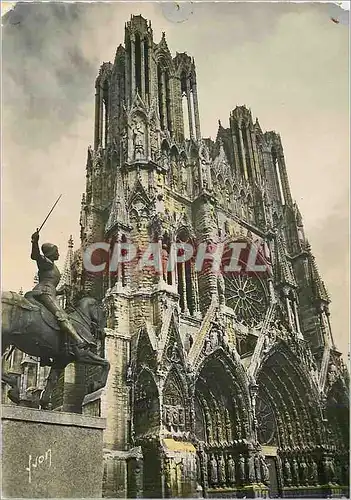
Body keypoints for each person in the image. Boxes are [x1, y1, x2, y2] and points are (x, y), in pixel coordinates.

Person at [30, 230, 95, 352]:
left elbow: (53, 286)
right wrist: (35, 242)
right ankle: (78, 340)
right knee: (61, 315)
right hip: (44, 292)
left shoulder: (53, 267)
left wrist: (61, 291)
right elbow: (35, 256)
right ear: (51, 253)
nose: (58, 253)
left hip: (49, 291)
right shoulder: (46, 263)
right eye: (56, 251)